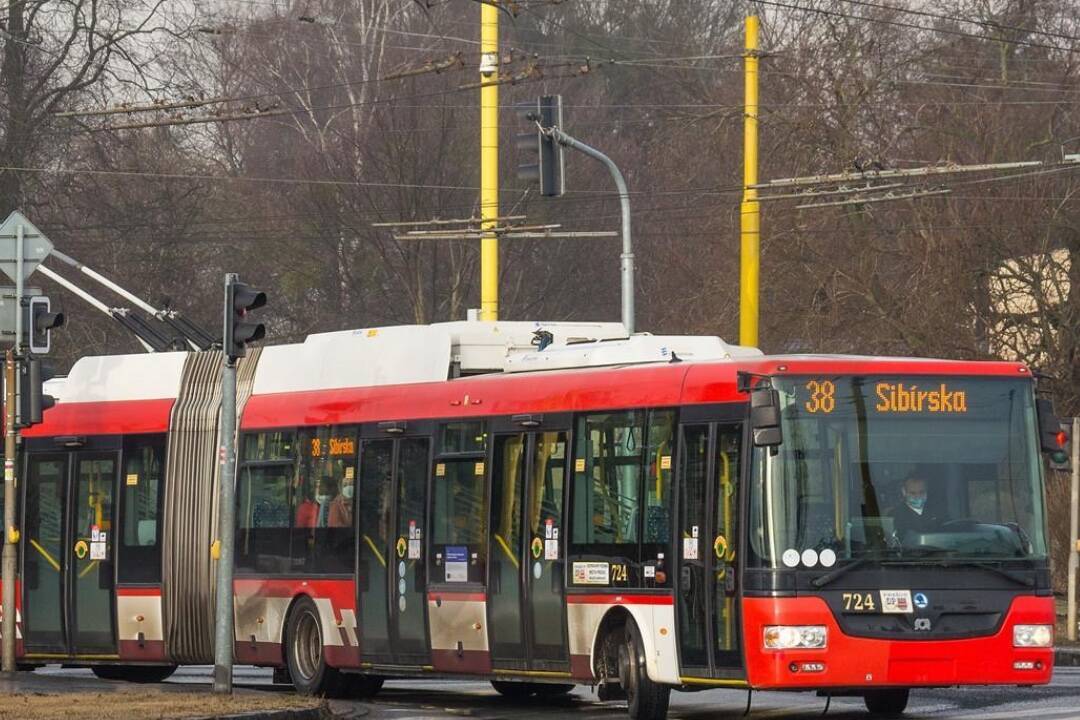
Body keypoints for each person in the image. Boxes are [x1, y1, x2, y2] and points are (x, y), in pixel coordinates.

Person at [889, 473, 941, 539]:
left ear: (926, 491)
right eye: (913, 493)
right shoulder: (895, 515)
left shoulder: (937, 511)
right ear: (904, 492)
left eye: (921, 492)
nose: (918, 496)